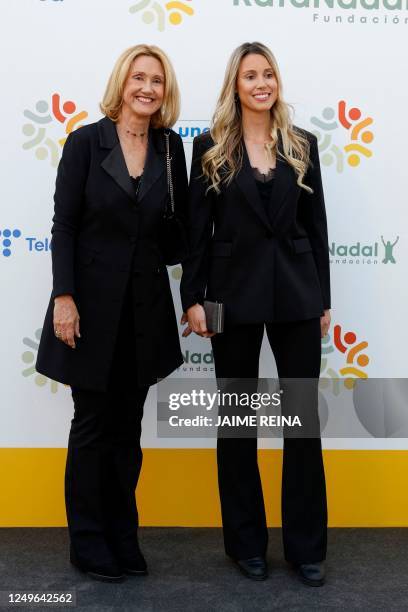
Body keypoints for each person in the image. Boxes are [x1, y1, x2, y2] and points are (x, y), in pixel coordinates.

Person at [181, 42, 331, 586]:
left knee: (301, 423)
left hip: (297, 296)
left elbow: (317, 229)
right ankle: (246, 544)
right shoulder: (210, 148)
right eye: (250, 75)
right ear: (236, 85)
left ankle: (306, 548)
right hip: (227, 298)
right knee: (238, 424)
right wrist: (192, 299)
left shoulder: (302, 144)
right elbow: (198, 234)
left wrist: (323, 299)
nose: (261, 83)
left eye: (268, 73)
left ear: (276, 83)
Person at [36, 44, 187, 582]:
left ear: (164, 92)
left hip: (144, 312)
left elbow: (178, 232)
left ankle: (123, 533)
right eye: (139, 77)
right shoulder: (85, 141)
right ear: (122, 82)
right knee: (93, 427)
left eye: (157, 81)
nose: (147, 88)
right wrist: (64, 296)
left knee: (128, 431)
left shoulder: (171, 148)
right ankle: (88, 541)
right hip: (90, 311)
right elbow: (65, 227)